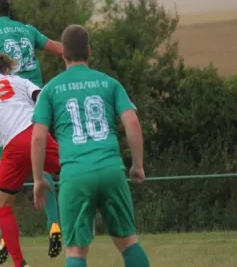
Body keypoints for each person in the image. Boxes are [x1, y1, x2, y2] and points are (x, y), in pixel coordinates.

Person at [30, 24, 151, 267]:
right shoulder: (109, 83)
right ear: (89, 51)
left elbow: (38, 137)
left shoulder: (51, 89)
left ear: (62, 52)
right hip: (110, 169)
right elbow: (132, 122)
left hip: (74, 174)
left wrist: (38, 178)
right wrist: (137, 165)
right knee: (128, 242)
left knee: (75, 250)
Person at [0, 0, 63, 263]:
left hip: (7, 123)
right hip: (34, 112)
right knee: (62, 167)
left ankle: (7, 241)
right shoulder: (27, 29)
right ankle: (55, 224)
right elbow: (61, 50)